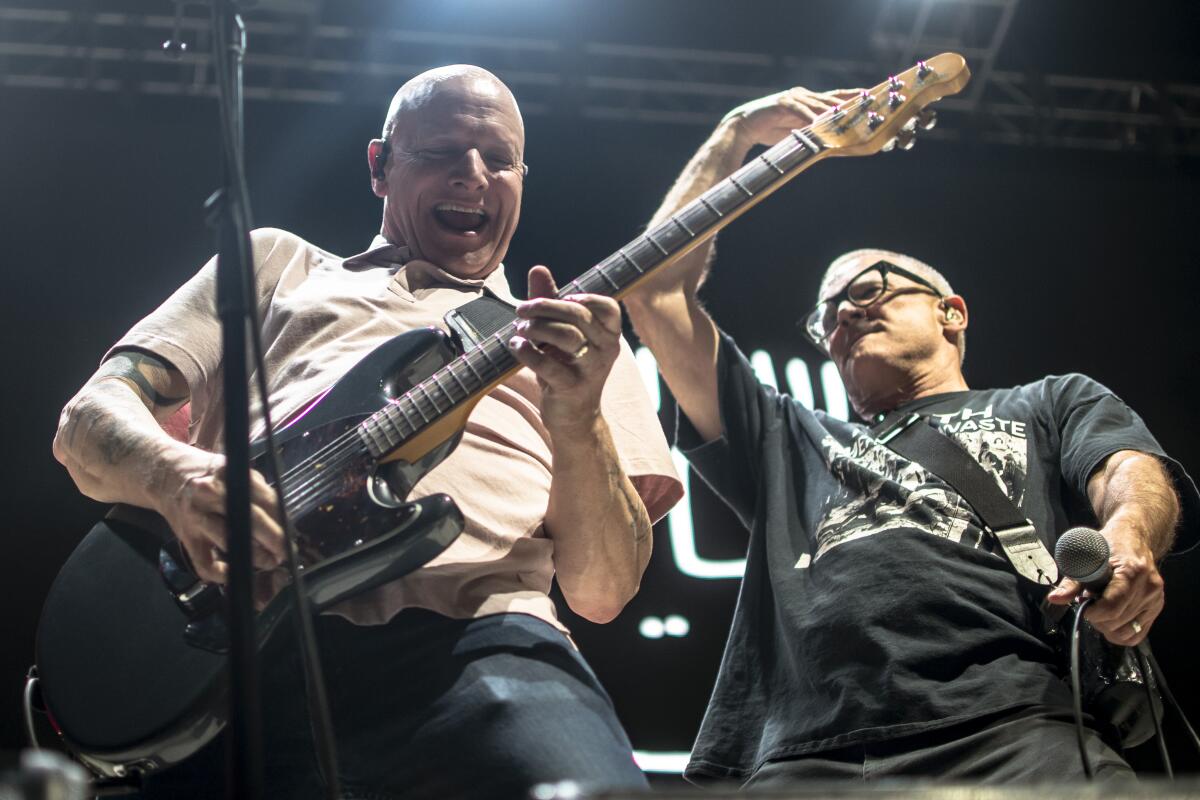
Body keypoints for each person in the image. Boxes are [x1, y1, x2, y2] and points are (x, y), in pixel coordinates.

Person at [52, 65, 681, 799]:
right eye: (442, 152)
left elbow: (602, 591)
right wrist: (176, 476)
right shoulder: (275, 266)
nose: (473, 175)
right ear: (380, 165)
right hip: (239, 650)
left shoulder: (584, 347)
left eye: (498, 158)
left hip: (488, 644)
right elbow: (88, 423)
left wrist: (576, 421)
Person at [622, 86, 1198, 784]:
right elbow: (652, 292)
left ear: (951, 313)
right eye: (827, 316)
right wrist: (735, 133)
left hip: (1019, 728)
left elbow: (1127, 468)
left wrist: (1129, 538)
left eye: (869, 290)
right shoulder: (786, 440)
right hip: (808, 757)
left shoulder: (1049, 400)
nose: (844, 317)